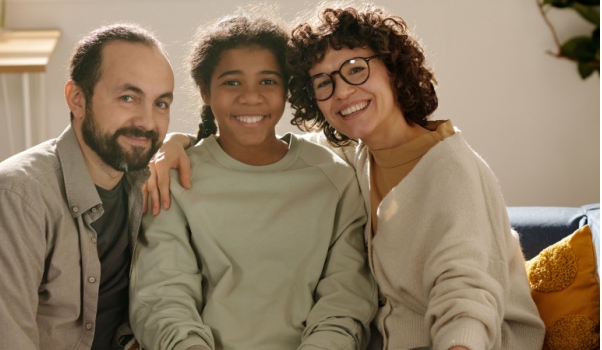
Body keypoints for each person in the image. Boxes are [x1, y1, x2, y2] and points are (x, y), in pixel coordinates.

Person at [147, 3, 545, 350]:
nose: (342, 92)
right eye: (324, 82)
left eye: (356, 69)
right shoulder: (357, 155)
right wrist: (175, 142)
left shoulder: (451, 170)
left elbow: (467, 296)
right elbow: (254, 141)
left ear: (392, 68)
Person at [0, 23, 174, 350]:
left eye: (161, 104)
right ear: (77, 99)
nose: (147, 122)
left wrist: (179, 142)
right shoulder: (16, 197)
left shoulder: (145, 176)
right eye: (128, 98)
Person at [129, 13, 376, 350]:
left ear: (287, 89)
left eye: (268, 81)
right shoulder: (173, 180)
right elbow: (163, 297)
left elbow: (346, 301)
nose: (251, 97)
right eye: (232, 82)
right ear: (205, 91)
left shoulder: (332, 179)